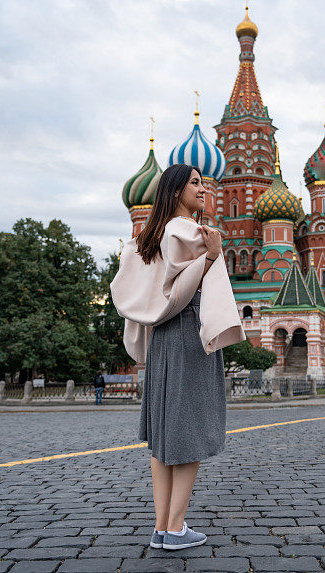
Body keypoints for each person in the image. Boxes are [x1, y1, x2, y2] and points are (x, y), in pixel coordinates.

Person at [110, 164, 246, 552]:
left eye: (203, 183)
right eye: (195, 184)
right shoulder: (189, 232)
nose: (203, 189)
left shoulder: (148, 238)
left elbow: (148, 297)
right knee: (189, 429)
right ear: (175, 191)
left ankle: (162, 527)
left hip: (163, 341)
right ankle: (175, 528)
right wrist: (211, 256)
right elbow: (180, 295)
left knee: (165, 434)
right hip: (189, 332)